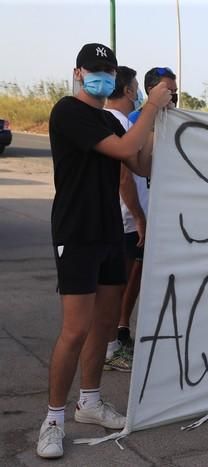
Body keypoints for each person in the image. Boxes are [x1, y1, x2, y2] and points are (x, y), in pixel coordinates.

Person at [37, 43, 171, 459]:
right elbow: (119, 150)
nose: (101, 76)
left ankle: (90, 402)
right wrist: (149, 107)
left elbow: (141, 164)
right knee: (75, 329)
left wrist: (156, 123)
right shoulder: (69, 112)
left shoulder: (109, 119)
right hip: (77, 232)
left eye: (108, 70)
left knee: (104, 325)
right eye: (94, 70)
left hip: (110, 231)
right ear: (78, 73)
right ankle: (54, 419)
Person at [114, 66, 178, 351]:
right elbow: (126, 175)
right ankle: (118, 331)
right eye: (167, 91)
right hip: (134, 217)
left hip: (160, 215)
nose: (171, 97)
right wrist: (139, 216)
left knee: (144, 276)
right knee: (126, 276)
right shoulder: (135, 122)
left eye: (174, 93)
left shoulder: (176, 121)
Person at [103, 65, 144, 372]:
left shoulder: (102, 121)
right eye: (137, 87)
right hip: (124, 220)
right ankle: (111, 349)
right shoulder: (119, 125)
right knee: (114, 290)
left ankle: (109, 347)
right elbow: (124, 179)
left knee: (111, 290)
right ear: (129, 90)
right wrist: (140, 217)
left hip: (111, 218)